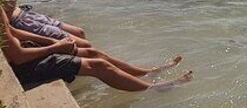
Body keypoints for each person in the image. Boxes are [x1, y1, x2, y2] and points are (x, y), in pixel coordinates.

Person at [2, 9, 192, 91]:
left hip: (25, 55)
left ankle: (147, 73)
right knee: (99, 66)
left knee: (92, 53)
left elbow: (11, 30)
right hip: (22, 69)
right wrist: (56, 47)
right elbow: (18, 58)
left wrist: (49, 41)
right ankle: (154, 88)